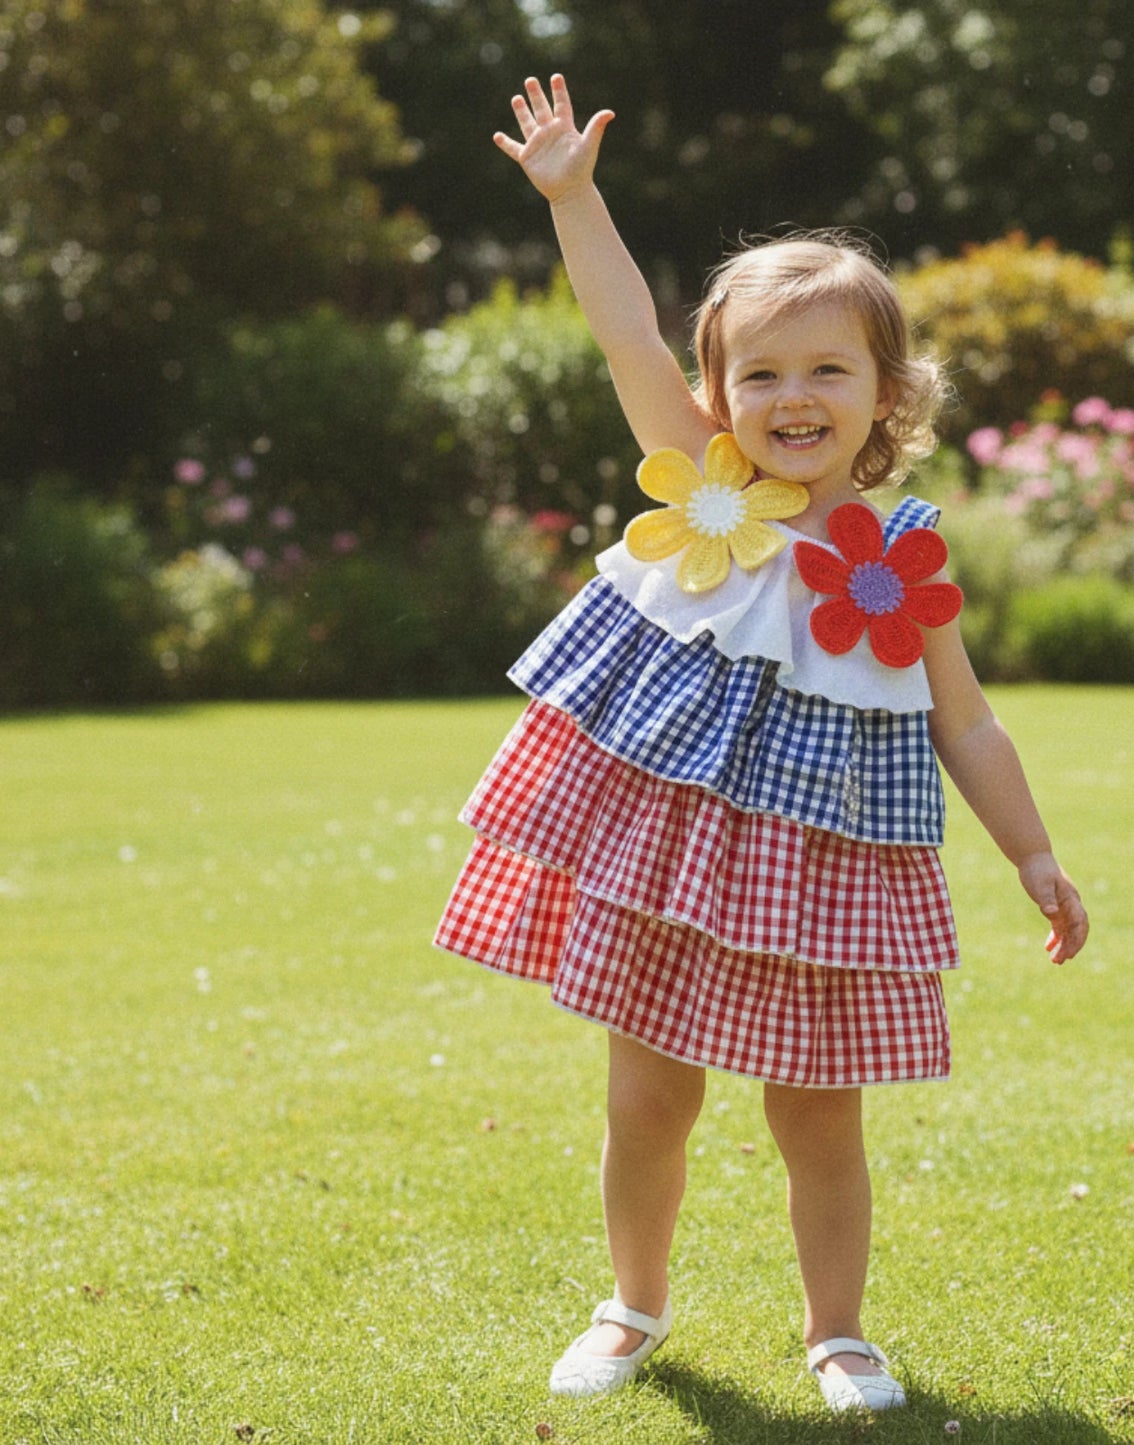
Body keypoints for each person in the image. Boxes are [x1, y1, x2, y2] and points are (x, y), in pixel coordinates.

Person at [435, 73, 1088, 1413]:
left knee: (817, 1113)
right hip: (669, 856)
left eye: (827, 369)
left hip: (824, 872)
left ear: (885, 389)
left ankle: (836, 1332)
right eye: (761, 372)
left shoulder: (899, 556)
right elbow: (624, 335)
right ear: (721, 391)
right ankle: (632, 1304)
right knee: (647, 1096)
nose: (793, 396)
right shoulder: (709, 483)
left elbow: (963, 717)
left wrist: (1030, 853)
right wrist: (576, 200)